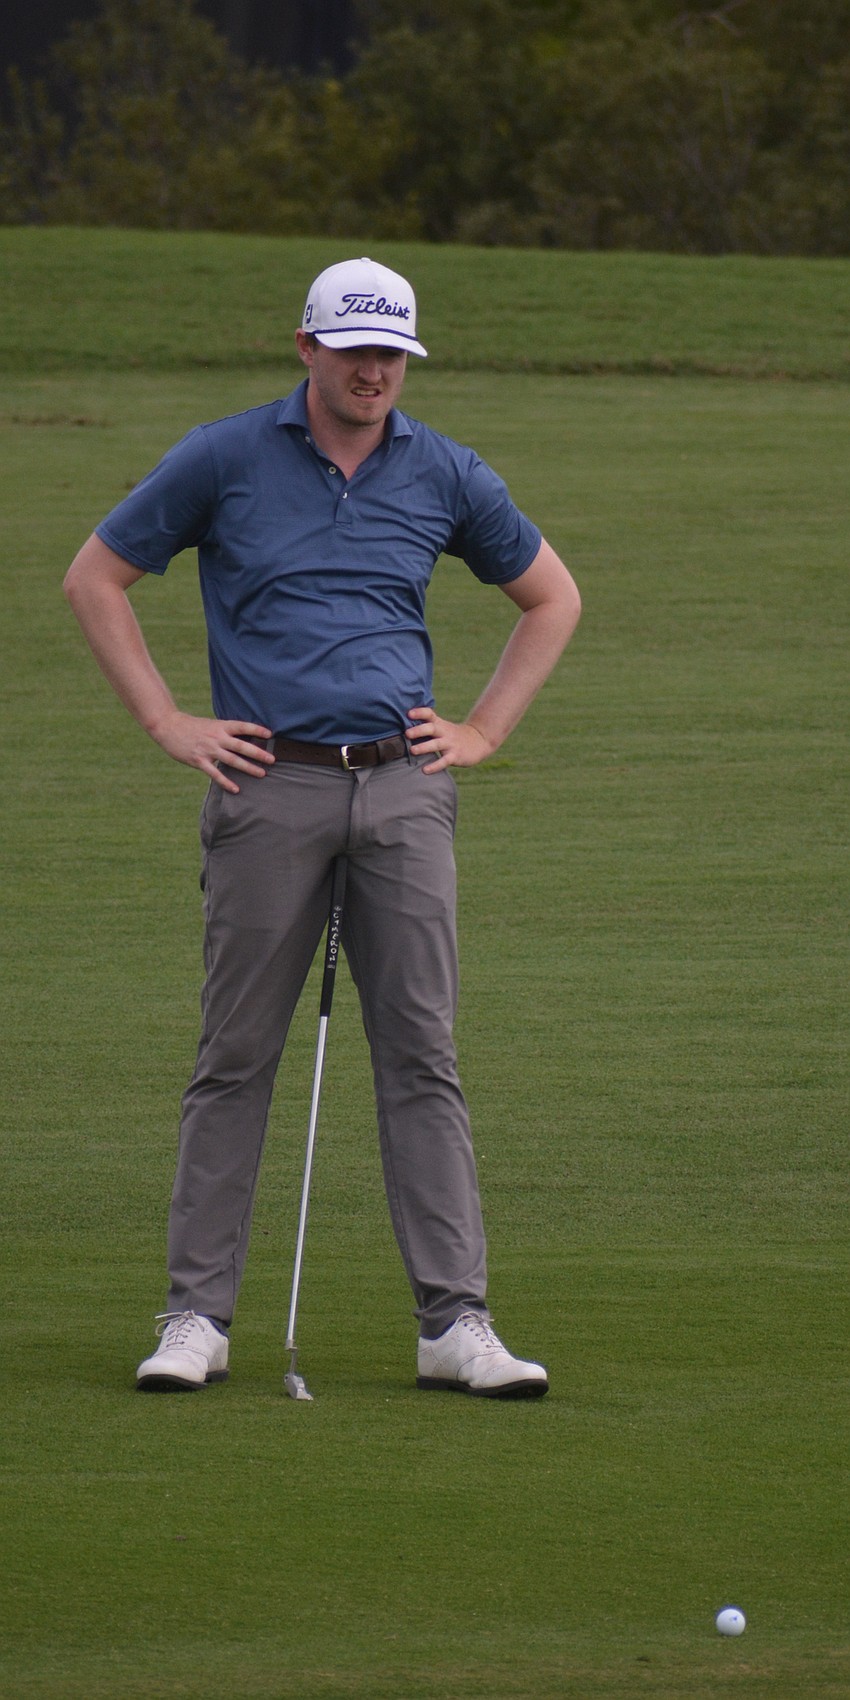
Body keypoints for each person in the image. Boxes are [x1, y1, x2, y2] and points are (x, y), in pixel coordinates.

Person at [64, 256, 581, 1399]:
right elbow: (95, 576)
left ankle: (456, 1323)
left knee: (422, 1056)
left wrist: (484, 730)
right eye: (353, 350)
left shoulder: (444, 469)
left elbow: (553, 595)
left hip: (403, 788)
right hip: (269, 788)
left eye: (391, 352)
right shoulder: (224, 456)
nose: (373, 371)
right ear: (305, 346)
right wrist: (165, 719)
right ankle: (195, 1315)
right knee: (233, 1055)